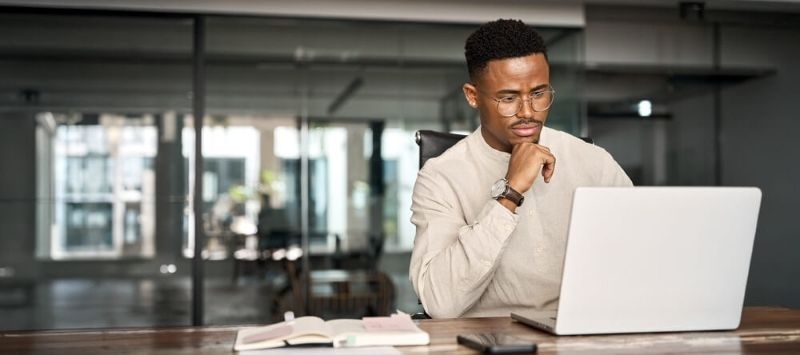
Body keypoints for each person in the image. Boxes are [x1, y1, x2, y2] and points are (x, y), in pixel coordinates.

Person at [409, 19, 632, 318]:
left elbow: (640, 258)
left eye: (539, 94)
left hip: (580, 332)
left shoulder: (593, 162)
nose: (528, 112)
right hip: (488, 338)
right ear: (472, 96)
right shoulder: (441, 177)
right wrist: (509, 192)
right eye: (508, 98)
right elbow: (441, 303)